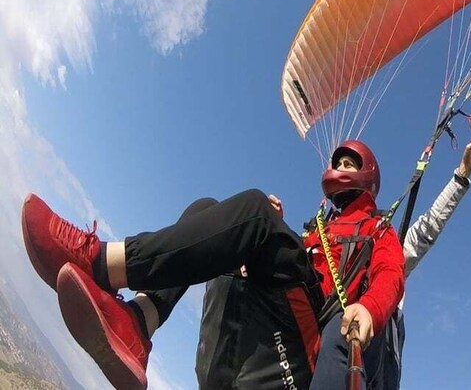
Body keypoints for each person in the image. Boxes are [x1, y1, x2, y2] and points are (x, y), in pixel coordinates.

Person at [20, 139, 405, 390]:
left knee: (254, 210)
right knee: (205, 210)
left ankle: (98, 261)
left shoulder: (377, 230)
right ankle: (138, 322)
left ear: (366, 175)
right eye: (337, 159)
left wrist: (370, 310)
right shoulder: (320, 227)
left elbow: (391, 275)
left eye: (348, 162)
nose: (338, 165)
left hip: (311, 331)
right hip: (282, 305)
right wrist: (272, 228)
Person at [195, 133, 471, 389]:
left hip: (363, 354)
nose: (342, 169)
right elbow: (298, 272)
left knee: (340, 330)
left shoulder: (381, 238)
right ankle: (149, 311)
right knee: (215, 220)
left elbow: (425, 231)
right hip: (307, 338)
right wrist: (269, 233)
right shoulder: (324, 231)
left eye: (350, 165)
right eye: (340, 164)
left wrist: (461, 176)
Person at [382, 132, 471, 389]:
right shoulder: (323, 258)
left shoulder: (383, 257)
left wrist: (462, 175)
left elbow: (425, 231)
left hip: (380, 353)